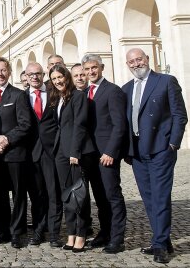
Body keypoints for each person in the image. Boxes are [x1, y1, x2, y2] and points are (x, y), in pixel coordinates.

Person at [122, 48, 187, 264]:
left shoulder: (166, 81)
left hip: (161, 149)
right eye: (131, 61)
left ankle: (159, 244)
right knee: (149, 199)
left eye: (139, 59)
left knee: (160, 196)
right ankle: (163, 238)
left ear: (147, 59)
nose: (135, 64)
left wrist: (173, 143)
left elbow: (180, 115)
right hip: (138, 152)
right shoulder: (127, 89)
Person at [0, 57, 32, 248]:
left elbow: (25, 124)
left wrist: (6, 139)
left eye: (3, 70)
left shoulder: (18, 95)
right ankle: (2, 230)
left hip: (15, 153)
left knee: (18, 194)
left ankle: (18, 232)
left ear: (9, 72)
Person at [48, 64, 97, 253]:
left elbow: (80, 125)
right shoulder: (58, 98)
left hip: (75, 152)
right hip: (60, 151)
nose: (58, 81)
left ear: (67, 77)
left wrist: (75, 152)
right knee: (66, 194)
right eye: (54, 79)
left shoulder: (78, 96)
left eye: (60, 77)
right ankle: (70, 232)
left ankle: (82, 234)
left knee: (79, 194)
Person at [82, 53, 127, 254]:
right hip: (91, 154)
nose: (91, 72)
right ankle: (105, 232)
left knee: (112, 195)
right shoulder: (83, 92)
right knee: (99, 197)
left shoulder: (112, 91)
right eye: (88, 69)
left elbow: (119, 125)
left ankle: (117, 238)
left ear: (101, 67)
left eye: (94, 68)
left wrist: (111, 151)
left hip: (107, 154)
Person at [24, 62, 63, 247]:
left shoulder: (55, 93)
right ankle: (39, 230)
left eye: (38, 73)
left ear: (43, 74)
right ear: (26, 76)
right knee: (37, 195)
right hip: (31, 153)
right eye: (31, 74)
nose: (35, 77)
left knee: (54, 193)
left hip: (52, 151)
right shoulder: (22, 97)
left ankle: (54, 234)